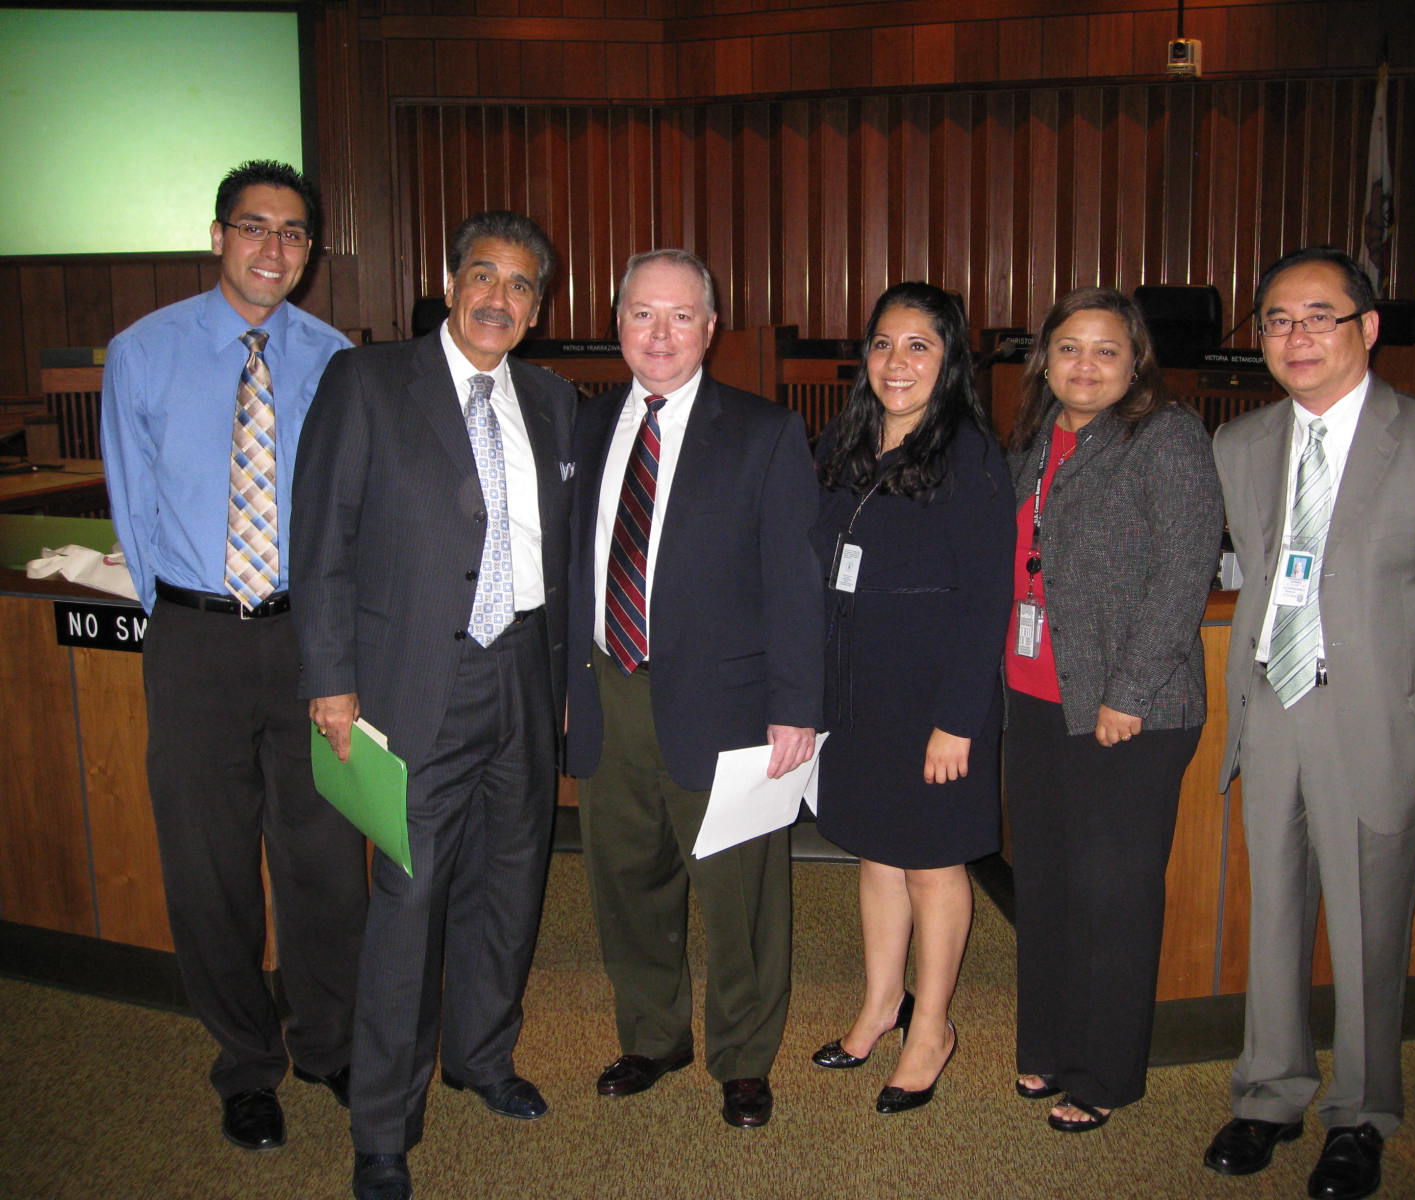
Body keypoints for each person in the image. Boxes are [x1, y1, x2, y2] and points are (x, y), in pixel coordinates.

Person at [1204, 247, 1415, 1200]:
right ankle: (1269, 1093)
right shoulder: (1240, 444)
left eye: (1319, 317)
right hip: (1274, 709)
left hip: (1376, 717)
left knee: (1372, 932)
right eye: (1277, 321)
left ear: (1367, 329)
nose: (1297, 337)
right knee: (1277, 917)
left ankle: (1363, 1113)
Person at [292, 211, 576, 1200]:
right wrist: (330, 680)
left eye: (522, 286)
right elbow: (319, 535)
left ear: (539, 308)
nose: (500, 299)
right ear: (450, 281)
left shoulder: (552, 400)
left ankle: (482, 1058)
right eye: (484, 277)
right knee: (408, 902)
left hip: (525, 679)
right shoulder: (368, 383)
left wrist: (567, 690)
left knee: (510, 880)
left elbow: (569, 559)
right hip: (413, 686)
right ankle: (382, 1125)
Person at [101, 159, 368, 1153]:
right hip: (197, 641)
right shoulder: (143, 351)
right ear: (217, 236)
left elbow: (348, 509)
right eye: (253, 227)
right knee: (207, 871)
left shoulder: (335, 357)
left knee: (326, 863)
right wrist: (182, 616)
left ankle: (328, 1043)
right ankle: (244, 1065)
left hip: (310, 641)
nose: (272, 248)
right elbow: (132, 504)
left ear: (310, 252)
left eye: (293, 233)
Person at [566, 249, 824, 1130]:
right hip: (610, 692)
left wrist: (796, 707)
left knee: (739, 894)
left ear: (712, 329)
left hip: (727, 704)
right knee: (625, 881)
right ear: (619, 325)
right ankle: (652, 1035)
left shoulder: (765, 431)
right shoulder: (587, 426)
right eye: (643, 313)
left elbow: (795, 581)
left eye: (682, 316)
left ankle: (744, 1058)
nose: (661, 333)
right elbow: (573, 569)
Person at [1003, 288, 1223, 1133]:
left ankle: (1105, 1074)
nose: (1084, 365)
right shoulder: (1033, 437)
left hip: (1128, 711)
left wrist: (1127, 693)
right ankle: (1050, 1044)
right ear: (1044, 359)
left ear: (1136, 360)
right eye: (1068, 348)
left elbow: (1183, 573)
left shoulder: (1166, 437)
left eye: (1104, 350)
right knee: (1049, 886)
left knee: (1113, 896)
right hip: (1033, 696)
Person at [807, 282, 1014, 1115]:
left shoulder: (969, 455)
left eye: (920, 346)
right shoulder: (844, 442)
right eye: (884, 344)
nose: (898, 363)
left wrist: (958, 719)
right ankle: (879, 1005)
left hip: (933, 702)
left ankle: (931, 1026)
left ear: (950, 359)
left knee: (932, 865)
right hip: (856, 694)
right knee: (876, 853)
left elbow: (986, 599)